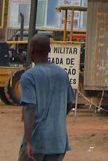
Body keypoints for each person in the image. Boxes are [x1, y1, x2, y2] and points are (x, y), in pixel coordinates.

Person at [19, 33, 75, 161]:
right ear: (49, 50)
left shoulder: (29, 76)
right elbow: (69, 103)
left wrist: (28, 142)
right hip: (58, 142)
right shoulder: (62, 74)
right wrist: (55, 120)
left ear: (31, 49)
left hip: (37, 141)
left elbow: (30, 108)